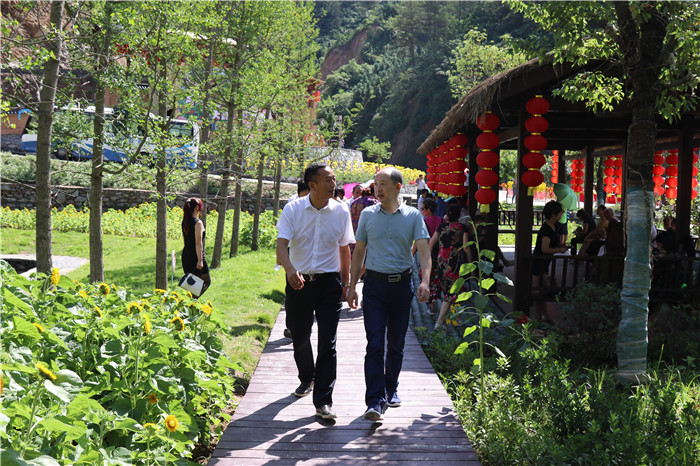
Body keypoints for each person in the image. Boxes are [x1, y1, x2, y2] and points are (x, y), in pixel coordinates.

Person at [347, 167, 431, 422]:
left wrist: (425, 281)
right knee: (375, 343)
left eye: (383, 183)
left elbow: (425, 252)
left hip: (401, 286)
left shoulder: (414, 216)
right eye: (376, 183)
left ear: (397, 187)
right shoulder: (368, 215)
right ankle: (374, 401)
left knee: (396, 344)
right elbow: (359, 252)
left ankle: (391, 388)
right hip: (373, 286)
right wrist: (351, 286)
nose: (378, 188)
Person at [276, 163, 355, 420]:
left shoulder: (341, 211)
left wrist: (347, 284)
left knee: (328, 342)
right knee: (300, 335)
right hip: (298, 281)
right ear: (312, 185)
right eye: (328, 179)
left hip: (329, 284)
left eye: (334, 179)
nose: (334, 183)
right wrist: (289, 269)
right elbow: (281, 246)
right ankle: (306, 376)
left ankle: (323, 401)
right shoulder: (293, 209)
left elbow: (344, 249)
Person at [429, 205, 473, 329]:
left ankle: (457, 318)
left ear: (447, 215)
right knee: (451, 292)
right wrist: (471, 265)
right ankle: (440, 322)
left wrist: (429, 261)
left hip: (441, 260)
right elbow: (466, 247)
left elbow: (431, 244)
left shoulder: (441, 227)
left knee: (451, 290)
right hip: (455, 261)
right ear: (459, 215)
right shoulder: (462, 227)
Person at [531, 200, 568, 322]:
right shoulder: (546, 229)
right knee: (539, 292)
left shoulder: (554, 226)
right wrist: (559, 250)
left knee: (543, 290)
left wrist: (561, 245)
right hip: (539, 263)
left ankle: (545, 316)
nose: (562, 214)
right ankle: (539, 319)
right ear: (553, 214)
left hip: (545, 263)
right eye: (560, 213)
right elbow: (544, 249)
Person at [282, 180, 309, 339]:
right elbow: (283, 236)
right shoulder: (292, 205)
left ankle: (303, 325)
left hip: (310, 253)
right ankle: (290, 326)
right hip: (293, 252)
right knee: (292, 290)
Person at [413, 197, 443, 313]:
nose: (421, 211)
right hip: (439, 252)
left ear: (428, 210)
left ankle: (430, 301)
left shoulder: (424, 222)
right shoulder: (441, 220)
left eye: (422, 209)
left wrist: (411, 254)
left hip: (426, 252)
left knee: (426, 276)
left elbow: (418, 240)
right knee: (437, 277)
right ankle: (435, 296)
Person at [181, 197, 211, 297]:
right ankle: (189, 304)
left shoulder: (185, 222)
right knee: (206, 281)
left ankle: (189, 304)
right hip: (195, 256)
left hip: (186, 256)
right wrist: (200, 260)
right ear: (197, 207)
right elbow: (198, 243)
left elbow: (186, 241)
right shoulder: (198, 223)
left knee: (191, 285)